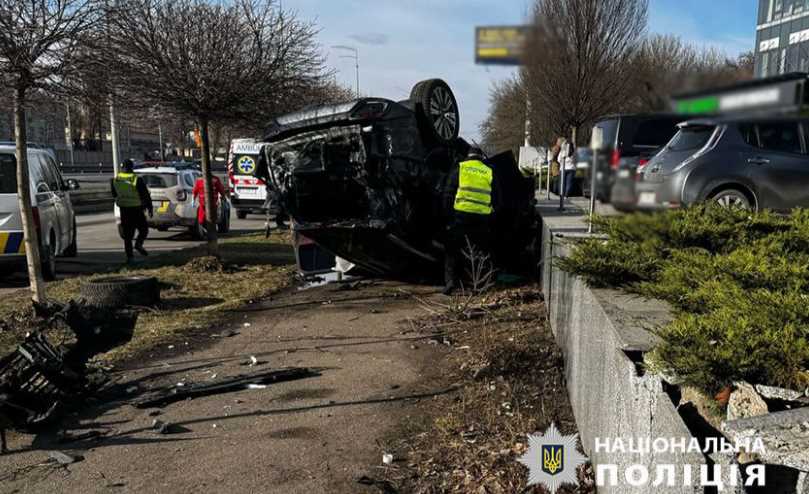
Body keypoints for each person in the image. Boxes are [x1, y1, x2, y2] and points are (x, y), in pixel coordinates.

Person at [442, 146, 498, 295]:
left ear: (468, 156)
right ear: (480, 157)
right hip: (481, 218)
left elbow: (448, 194)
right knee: (481, 250)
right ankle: (481, 284)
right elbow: (497, 198)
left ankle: (451, 284)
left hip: (460, 216)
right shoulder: (488, 171)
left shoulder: (460, 168)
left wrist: (448, 217)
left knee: (453, 250)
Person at [111, 159, 152, 262]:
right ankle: (138, 244)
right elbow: (145, 195)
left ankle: (130, 257)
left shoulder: (116, 179)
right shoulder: (136, 179)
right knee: (143, 230)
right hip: (136, 209)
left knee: (128, 236)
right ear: (132, 167)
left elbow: (114, 194)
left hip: (124, 210)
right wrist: (149, 208)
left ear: (122, 168)